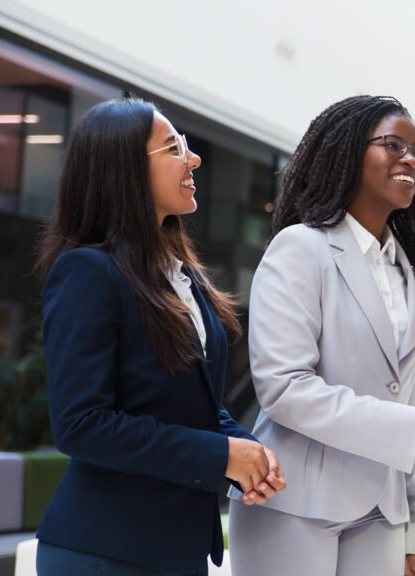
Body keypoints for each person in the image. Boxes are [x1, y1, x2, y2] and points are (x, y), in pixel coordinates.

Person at [228, 95, 415, 576]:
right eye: (394, 145)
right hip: (295, 503)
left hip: (383, 514)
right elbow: (285, 388)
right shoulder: (300, 248)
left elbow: (404, 398)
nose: (411, 159)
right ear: (347, 153)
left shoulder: (408, 273)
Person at [35, 98, 285, 575]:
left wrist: (249, 454)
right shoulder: (87, 272)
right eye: (174, 148)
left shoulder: (179, 276)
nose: (193, 159)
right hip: (103, 552)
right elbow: (81, 423)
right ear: (125, 169)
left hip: (176, 552)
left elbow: (191, 403)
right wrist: (221, 454)